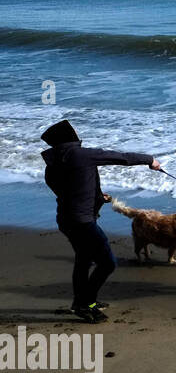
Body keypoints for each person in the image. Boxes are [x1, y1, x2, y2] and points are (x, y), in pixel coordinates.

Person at [40, 119, 162, 323]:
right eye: (74, 131)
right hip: (83, 222)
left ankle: (82, 301)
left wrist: (97, 197)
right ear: (69, 136)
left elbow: (69, 191)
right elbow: (120, 157)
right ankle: (85, 304)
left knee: (83, 260)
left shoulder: (52, 165)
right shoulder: (82, 154)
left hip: (67, 219)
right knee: (107, 263)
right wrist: (150, 160)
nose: (78, 133)